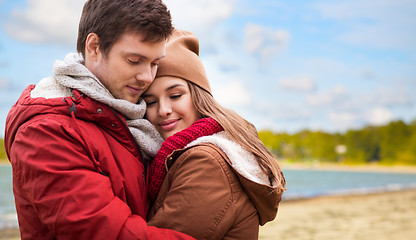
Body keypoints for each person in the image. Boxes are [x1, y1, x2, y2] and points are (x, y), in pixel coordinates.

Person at [4, 1, 195, 239]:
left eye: (155, 63)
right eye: (134, 60)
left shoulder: (131, 116)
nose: (147, 77)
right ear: (94, 47)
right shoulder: (45, 131)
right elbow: (107, 232)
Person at [142, 29, 286, 239]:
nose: (163, 109)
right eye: (151, 102)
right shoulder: (187, 154)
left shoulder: (206, 162)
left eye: (175, 95)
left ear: (199, 97)